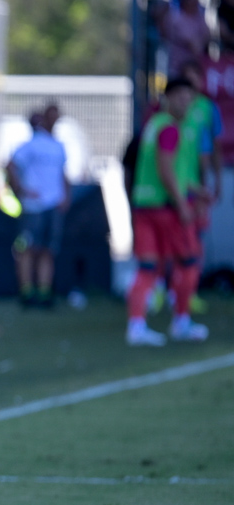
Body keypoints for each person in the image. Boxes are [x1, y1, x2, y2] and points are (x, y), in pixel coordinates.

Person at [127, 77, 209, 346]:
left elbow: (172, 171)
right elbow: (166, 170)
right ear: (169, 98)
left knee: (147, 267)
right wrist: (182, 203)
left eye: (189, 98)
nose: (186, 102)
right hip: (166, 208)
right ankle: (181, 321)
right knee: (189, 261)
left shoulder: (155, 125)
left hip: (144, 206)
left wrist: (195, 189)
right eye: (181, 97)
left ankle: (136, 326)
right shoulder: (171, 129)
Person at [7, 105, 69, 308]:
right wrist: (21, 191)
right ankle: (26, 292)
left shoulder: (59, 146)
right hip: (34, 206)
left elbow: (63, 174)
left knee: (48, 250)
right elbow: (11, 166)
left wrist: (65, 196)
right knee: (28, 249)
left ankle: (44, 291)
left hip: (53, 205)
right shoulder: (30, 145)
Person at [158, 0, 211, 78]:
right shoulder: (176, 18)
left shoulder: (200, 18)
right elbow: (196, 47)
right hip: (177, 71)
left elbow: (208, 36)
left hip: (196, 71)